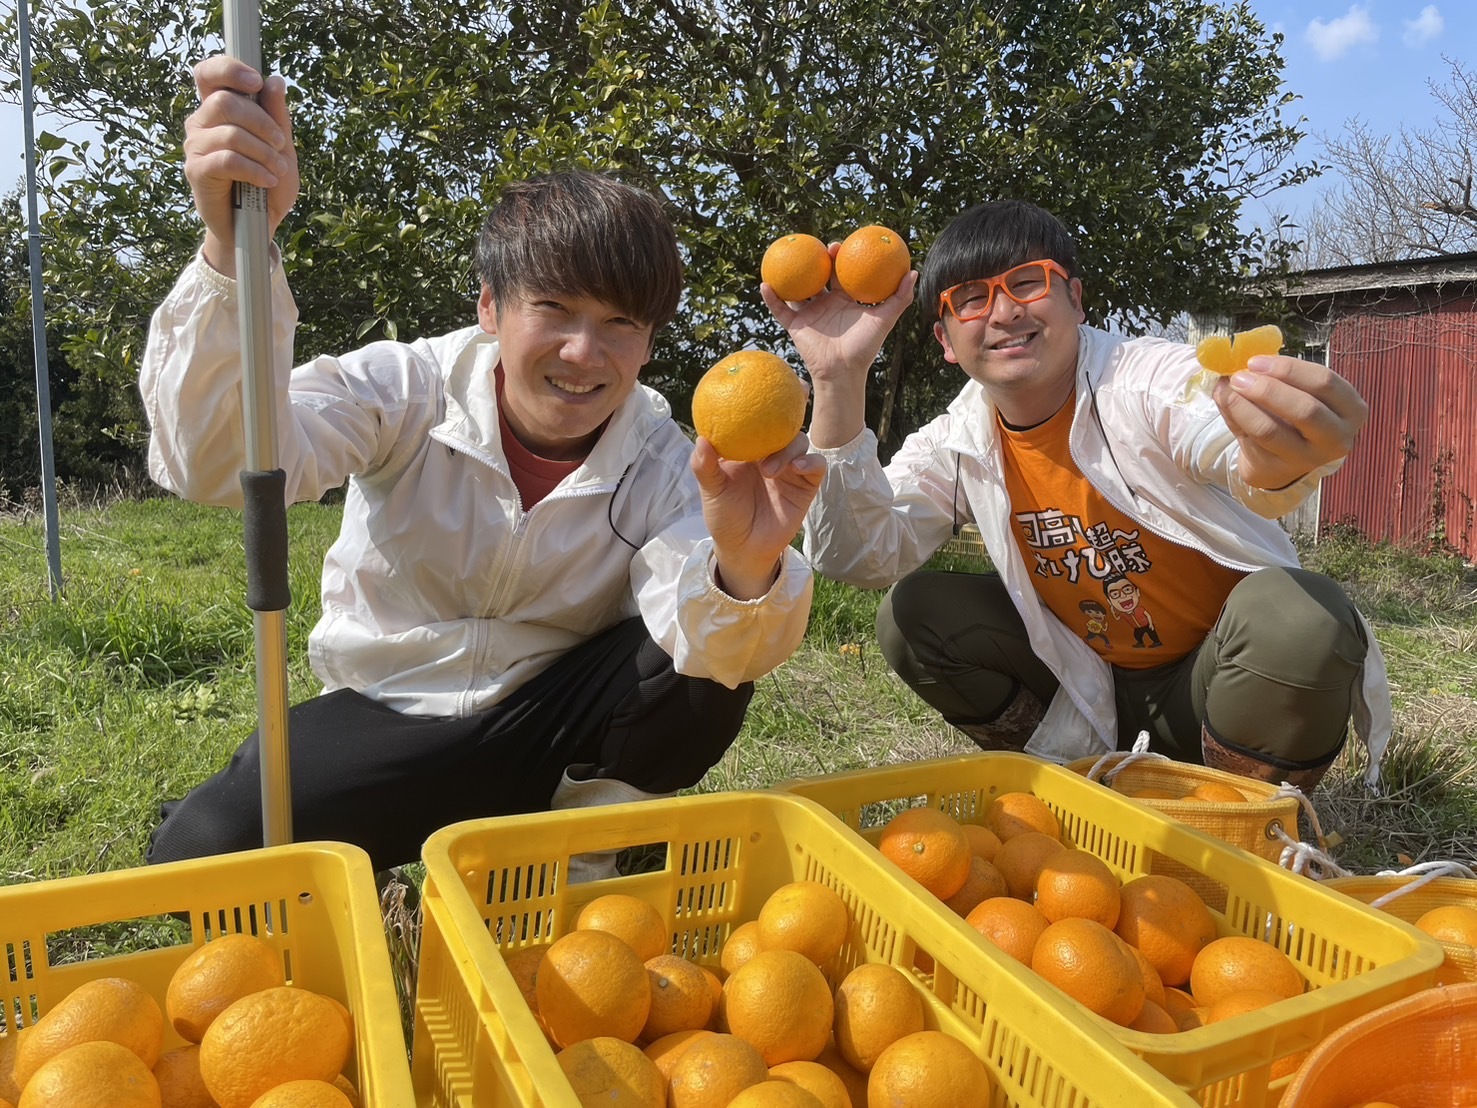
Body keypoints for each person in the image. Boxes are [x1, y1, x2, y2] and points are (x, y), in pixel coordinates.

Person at [139, 57, 824, 877]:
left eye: (619, 324)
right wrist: (229, 245)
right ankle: (396, 846)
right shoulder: (406, 388)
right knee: (200, 857)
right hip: (390, 709)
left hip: (550, 718)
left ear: (647, 341)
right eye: (554, 309)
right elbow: (221, 465)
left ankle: (578, 854)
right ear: (491, 308)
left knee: (700, 672)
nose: (584, 353)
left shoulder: (668, 461)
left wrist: (745, 570)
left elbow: (722, 648)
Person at [765, 198, 1391, 789]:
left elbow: (1215, 431)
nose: (1005, 312)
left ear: (1076, 299)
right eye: (972, 299)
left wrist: (1270, 454)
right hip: (1088, 684)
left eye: (1028, 282)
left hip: (1215, 683)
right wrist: (838, 377)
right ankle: (1068, 779)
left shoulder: (1141, 380)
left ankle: (1237, 813)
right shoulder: (958, 439)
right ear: (947, 343)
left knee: (1301, 615)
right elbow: (862, 557)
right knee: (914, 615)